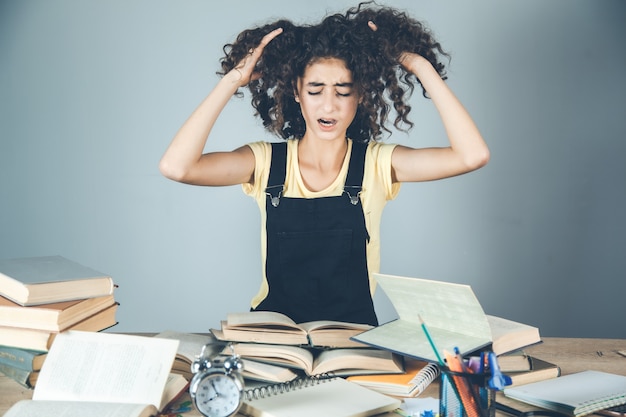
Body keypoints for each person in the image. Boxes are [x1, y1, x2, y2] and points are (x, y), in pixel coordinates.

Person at [159, 2, 489, 326]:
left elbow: (471, 155)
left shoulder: (377, 164)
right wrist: (233, 79)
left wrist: (419, 66)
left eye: (343, 92)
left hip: (350, 339)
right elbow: (177, 167)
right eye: (315, 90)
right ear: (296, 92)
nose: (328, 106)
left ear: (361, 96)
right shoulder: (264, 162)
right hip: (274, 340)